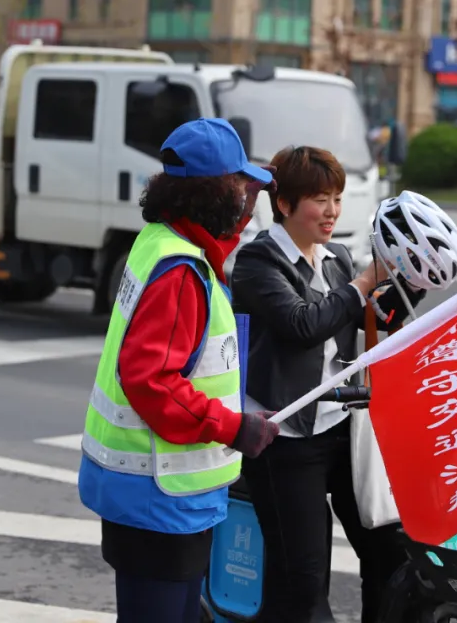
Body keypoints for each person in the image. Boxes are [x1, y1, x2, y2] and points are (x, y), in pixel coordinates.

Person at [77, 117, 282, 623]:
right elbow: (152, 383)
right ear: (212, 194)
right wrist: (233, 427)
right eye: (240, 186)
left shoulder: (161, 241)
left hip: (155, 495)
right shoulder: (181, 272)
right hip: (159, 498)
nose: (248, 199)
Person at [229, 146, 424, 623]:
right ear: (284, 204)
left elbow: (371, 317)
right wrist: (363, 283)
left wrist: (410, 279)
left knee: (389, 549)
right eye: (320, 199)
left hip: (340, 427)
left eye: (336, 198)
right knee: (303, 578)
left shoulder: (334, 257)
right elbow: (302, 324)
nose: (333, 211)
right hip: (285, 439)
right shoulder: (259, 261)